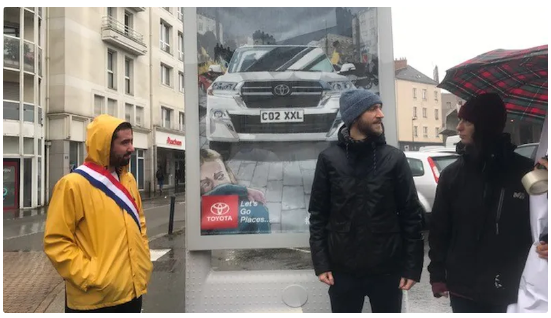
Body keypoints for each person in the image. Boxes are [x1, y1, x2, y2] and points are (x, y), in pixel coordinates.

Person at [309, 89, 424, 313]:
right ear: (354, 116)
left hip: (387, 272)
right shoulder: (329, 159)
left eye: (380, 107)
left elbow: (411, 215)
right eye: (373, 109)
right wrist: (321, 263)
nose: (380, 114)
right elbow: (318, 215)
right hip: (342, 273)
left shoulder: (394, 158)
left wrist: (412, 267)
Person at [428, 93, 534, 313]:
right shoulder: (452, 175)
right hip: (463, 287)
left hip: (511, 286)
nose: (458, 128)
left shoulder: (525, 172)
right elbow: (439, 230)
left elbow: (541, 223)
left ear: (484, 125)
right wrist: (437, 274)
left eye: (467, 121)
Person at [44, 115, 153, 313]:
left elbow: (140, 225)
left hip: (132, 292)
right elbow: (56, 242)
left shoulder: (128, 180)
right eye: (124, 143)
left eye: (132, 141)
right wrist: (91, 277)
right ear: (104, 145)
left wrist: (143, 263)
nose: (132, 148)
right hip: (93, 300)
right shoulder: (72, 185)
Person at [200, 148, 270, 235]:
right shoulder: (199, 215)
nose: (217, 185)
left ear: (229, 174)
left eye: (220, 176)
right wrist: (243, 190)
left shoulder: (256, 210)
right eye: (205, 184)